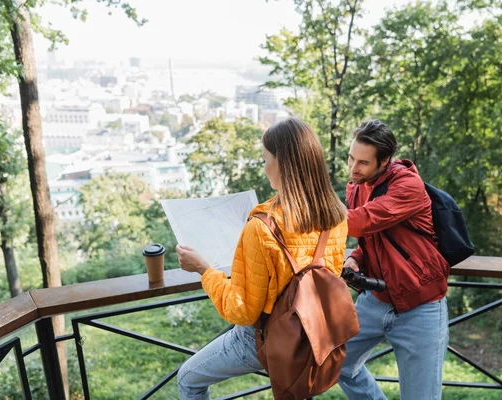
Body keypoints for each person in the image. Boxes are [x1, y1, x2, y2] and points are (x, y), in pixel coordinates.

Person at [175, 117, 348, 400]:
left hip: (268, 337)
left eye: (266, 158)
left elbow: (242, 311)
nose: (265, 165)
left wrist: (203, 269)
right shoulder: (336, 214)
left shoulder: (262, 226)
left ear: (283, 164)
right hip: (314, 332)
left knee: (188, 378)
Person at [338, 120, 450, 400]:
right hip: (374, 300)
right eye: (351, 158)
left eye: (363, 162)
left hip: (420, 308)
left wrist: (305, 208)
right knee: (336, 363)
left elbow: (363, 221)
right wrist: (355, 258)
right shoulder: (357, 185)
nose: (354, 168)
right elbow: (370, 239)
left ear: (385, 161)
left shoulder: (407, 185)